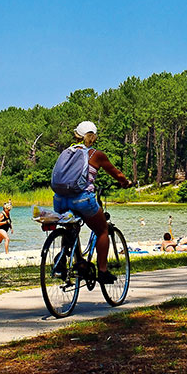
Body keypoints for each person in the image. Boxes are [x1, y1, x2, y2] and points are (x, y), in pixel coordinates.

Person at [52, 121, 131, 284]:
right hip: (82, 199)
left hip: (59, 199)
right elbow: (116, 173)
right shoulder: (96, 155)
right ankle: (103, 271)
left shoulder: (67, 152)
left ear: (77, 135)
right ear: (94, 137)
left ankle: (69, 258)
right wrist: (125, 182)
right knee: (102, 230)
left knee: (70, 226)